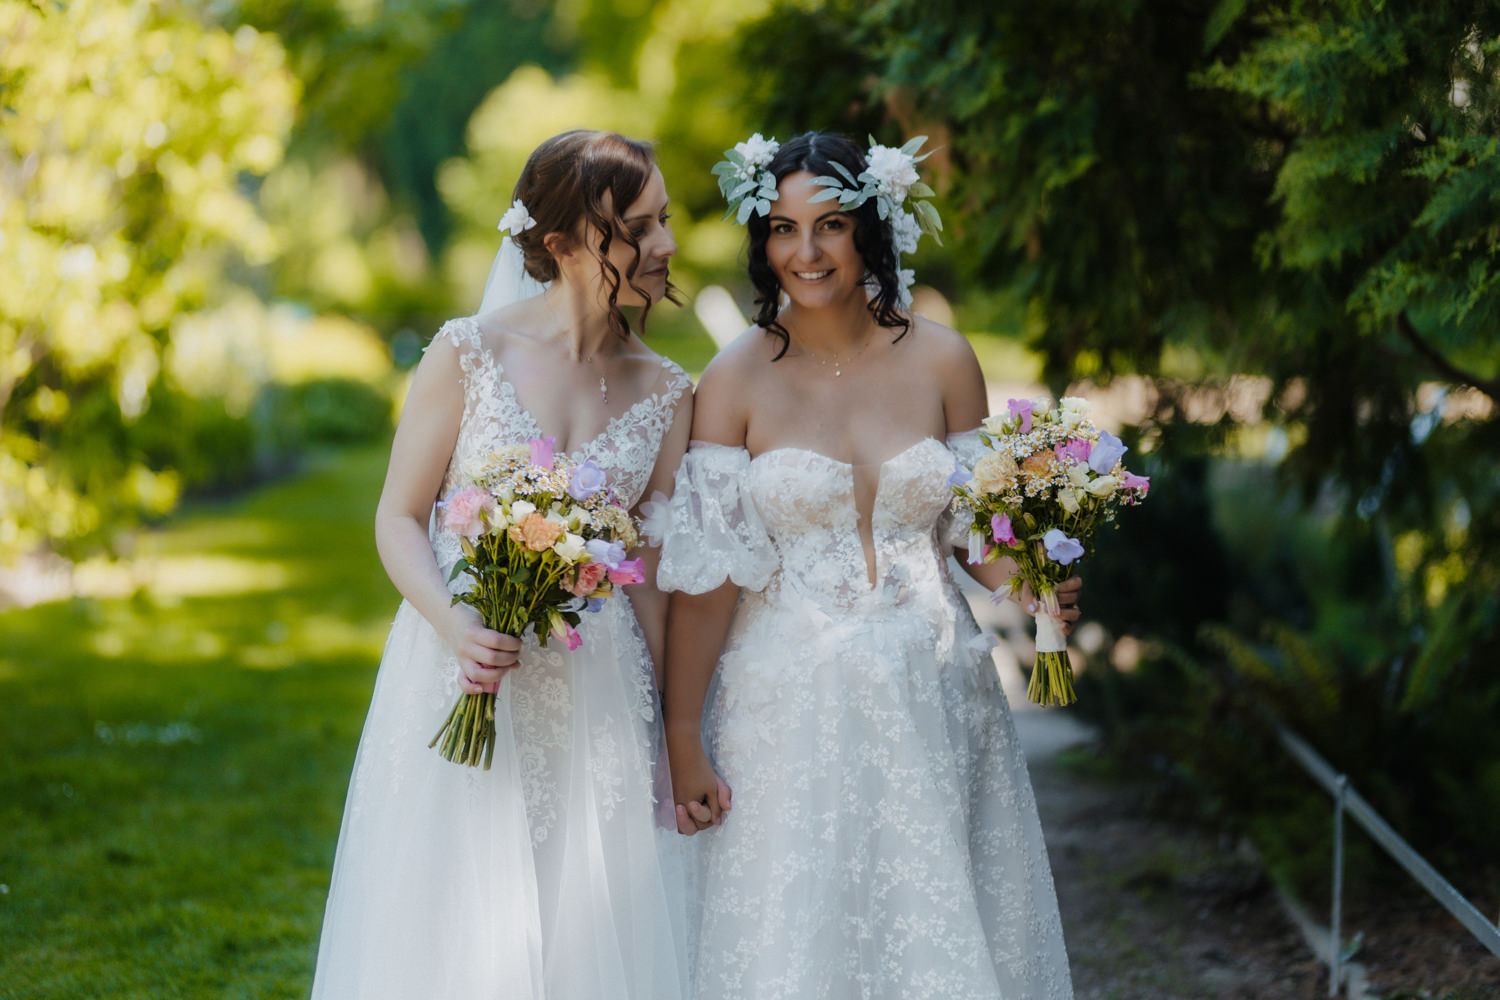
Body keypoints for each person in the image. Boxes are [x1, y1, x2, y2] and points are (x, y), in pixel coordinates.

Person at [658, 131, 1077, 999]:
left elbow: (968, 533)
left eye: (831, 226)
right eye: (780, 229)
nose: (804, 253)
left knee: (941, 929)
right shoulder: (732, 380)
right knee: (800, 938)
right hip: (786, 704)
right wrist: (684, 737)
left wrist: (1034, 582)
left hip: (936, 689)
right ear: (760, 240)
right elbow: (709, 580)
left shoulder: (943, 361)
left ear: (873, 229)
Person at [310, 130, 692, 1000]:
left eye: (665, 218)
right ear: (560, 246)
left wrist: (673, 738)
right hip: (460, 671)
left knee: (585, 930)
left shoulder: (670, 392)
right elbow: (400, 518)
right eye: (638, 227)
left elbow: (657, 588)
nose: (666, 244)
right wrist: (458, 626)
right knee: (453, 923)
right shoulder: (465, 353)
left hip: (599, 696)